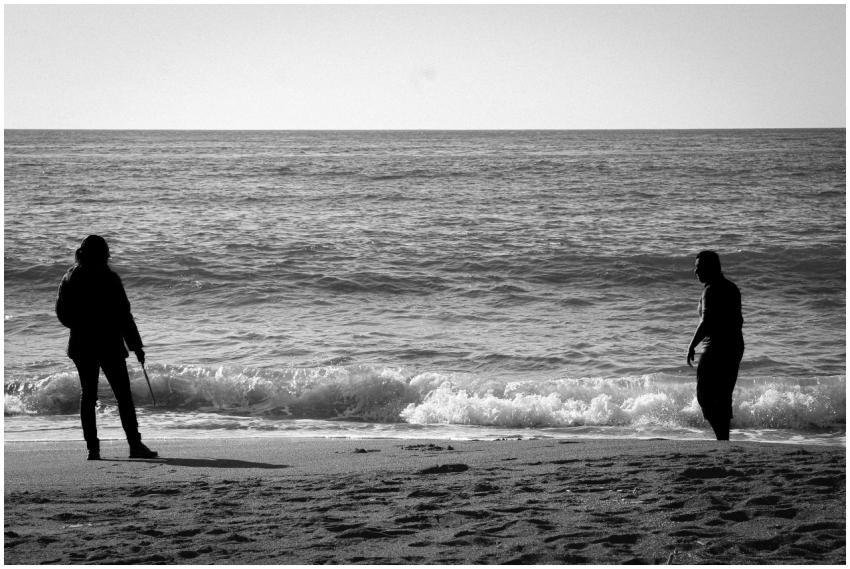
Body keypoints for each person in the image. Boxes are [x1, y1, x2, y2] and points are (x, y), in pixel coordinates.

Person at [56, 235, 158, 460]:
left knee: (88, 396)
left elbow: (61, 313)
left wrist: (79, 326)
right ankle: (134, 445)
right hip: (108, 343)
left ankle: (93, 449)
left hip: (81, 344)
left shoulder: (70, 277)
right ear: (104, 254)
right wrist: (136, 346)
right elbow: (124, 315)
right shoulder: (109, 278)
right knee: (123, 396)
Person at [686, 250, 744, 441]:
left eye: (698, 267)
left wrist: (691, 345)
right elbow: (738, 320)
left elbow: (706, 322)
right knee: (723, 393)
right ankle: (724, 438)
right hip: (735, 346)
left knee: (705, 394)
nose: (695, 272)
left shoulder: (710, 290)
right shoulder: (732, 288)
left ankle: (722, 437)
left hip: (716, 348)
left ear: (710, 267)